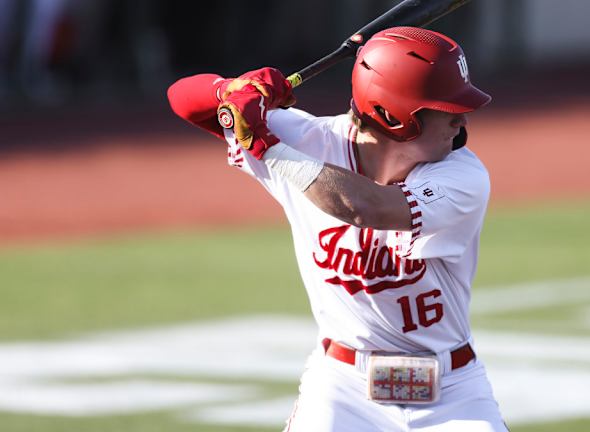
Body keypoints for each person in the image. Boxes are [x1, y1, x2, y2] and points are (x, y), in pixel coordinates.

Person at [167, 26, 507, 432]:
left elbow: (363, 206)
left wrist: (267, 147)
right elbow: (184, 100)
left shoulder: (464, 175)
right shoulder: (308, 141)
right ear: (393, 116)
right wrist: (234, 91)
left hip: (452, 394)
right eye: (446, 110)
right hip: (342, 389)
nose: (462, 121)